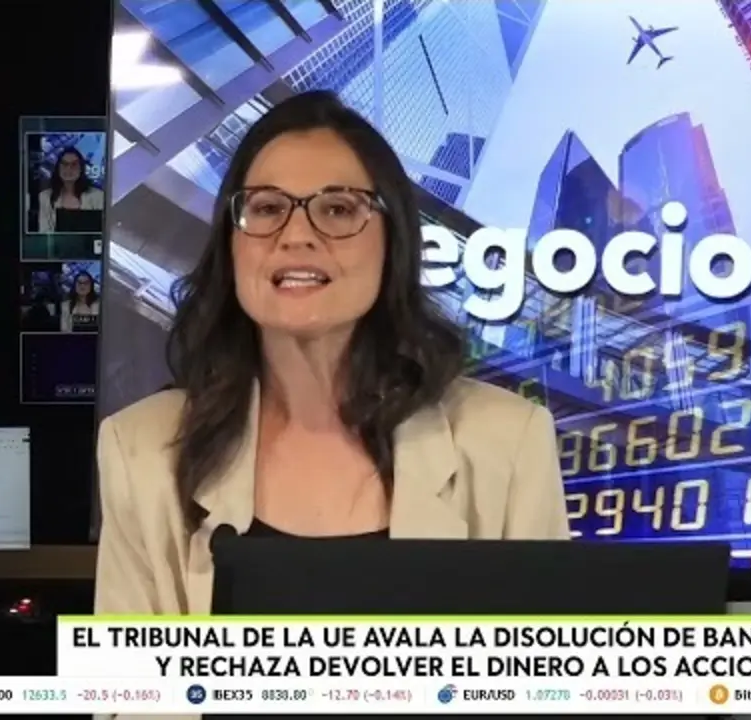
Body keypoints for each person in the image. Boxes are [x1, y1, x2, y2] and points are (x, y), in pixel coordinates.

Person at [92, 91, 569, 617]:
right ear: (231, 245)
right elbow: (125, 671)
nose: (296, 235)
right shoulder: (140, 450)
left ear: (394, 243)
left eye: (338, 209)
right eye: (267, 208)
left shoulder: (509, 442)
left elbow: (546, 665)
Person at [36, 147, 104, 232]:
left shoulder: (98, 196)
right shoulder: (45, 197)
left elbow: (103, 230)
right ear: (58, 168)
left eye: (74, 164)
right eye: (64, 164)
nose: (69, 168)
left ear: (81, 169)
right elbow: (44, 232)